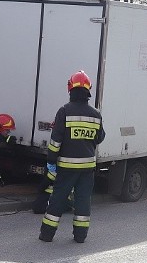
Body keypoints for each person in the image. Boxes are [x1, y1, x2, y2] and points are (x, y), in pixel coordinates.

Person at [39, 70, 105, 243]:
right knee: (83, 201)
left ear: (70, 89)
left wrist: (51, 161)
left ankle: (47, 235)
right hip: (88, 168)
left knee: (58, 199)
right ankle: (80, 237)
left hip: (67, 168)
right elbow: (100, 137)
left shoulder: (64, 111)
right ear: (88, 91)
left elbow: (56, 141)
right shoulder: (96, 114)